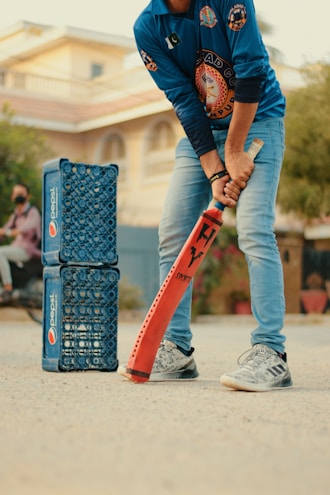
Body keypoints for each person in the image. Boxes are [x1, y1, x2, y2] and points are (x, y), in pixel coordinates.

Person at [120, 0, 292, 391]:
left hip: (259, 118)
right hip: (204, 138)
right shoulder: (148, 27)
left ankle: (272, 353)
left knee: (253, 230)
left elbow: (252, 71)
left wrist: (235, 150)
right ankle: (177, 350)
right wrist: (216, 168)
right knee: (172, 233)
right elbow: (184, 99)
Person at [0, 183, 41, 304]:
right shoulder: (15, 215)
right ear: (12, 196)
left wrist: (8, 232)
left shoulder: (32, 212)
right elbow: (5, 230)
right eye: (16, 194)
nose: (19, 196)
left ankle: (8, 288)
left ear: (28, 196)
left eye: (21, 193)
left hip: (27, 249)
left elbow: (26, 228)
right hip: (15, 247)